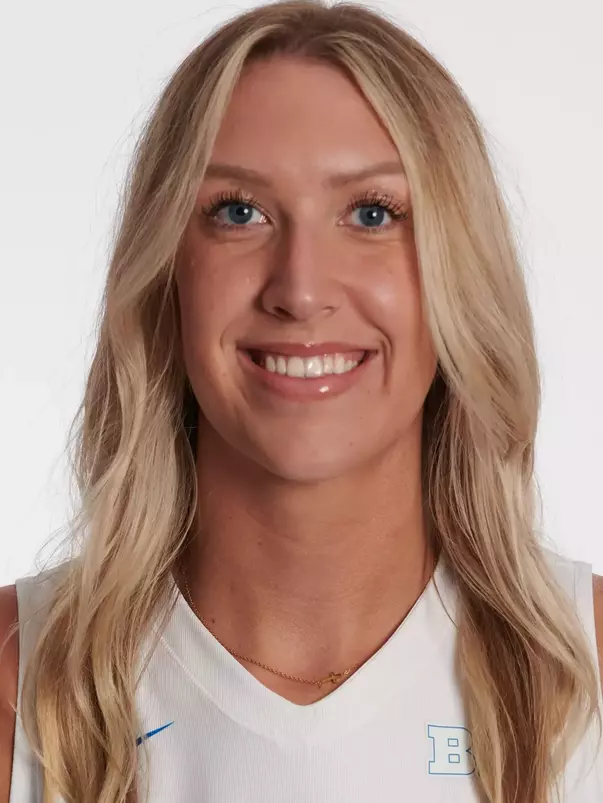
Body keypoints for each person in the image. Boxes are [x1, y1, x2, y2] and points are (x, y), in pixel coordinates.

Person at [1, 0, 602, 800]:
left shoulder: (584, 665)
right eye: (237, 212)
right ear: (165, 274)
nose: (301, 288)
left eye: (371, 213)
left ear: (459, 270)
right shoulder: (17, 677)